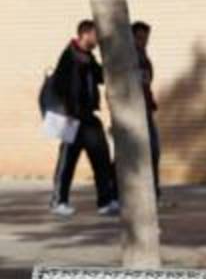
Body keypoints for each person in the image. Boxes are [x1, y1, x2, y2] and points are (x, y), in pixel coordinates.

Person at [49, 19, 119, 217]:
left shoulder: (88, 56)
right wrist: (68, 112)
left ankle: (105, 201)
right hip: (72, 118)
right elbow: (59, 87)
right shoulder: (69, 55)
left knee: (101, 159)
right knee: (67, 161)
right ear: (85, 34)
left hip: (88, 117)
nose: (98, 40)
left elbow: (100, 76)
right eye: (96, 35)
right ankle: (58, 201)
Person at [132, 21, 163, 204]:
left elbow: (146, 84)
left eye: (146, 38)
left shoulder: (144, 57)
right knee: (135, 153)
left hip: (146, 110)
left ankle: (153, 190)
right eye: (140, 38)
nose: (144, 42)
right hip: (133, 113)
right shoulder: (129, 59)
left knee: (153, 151)